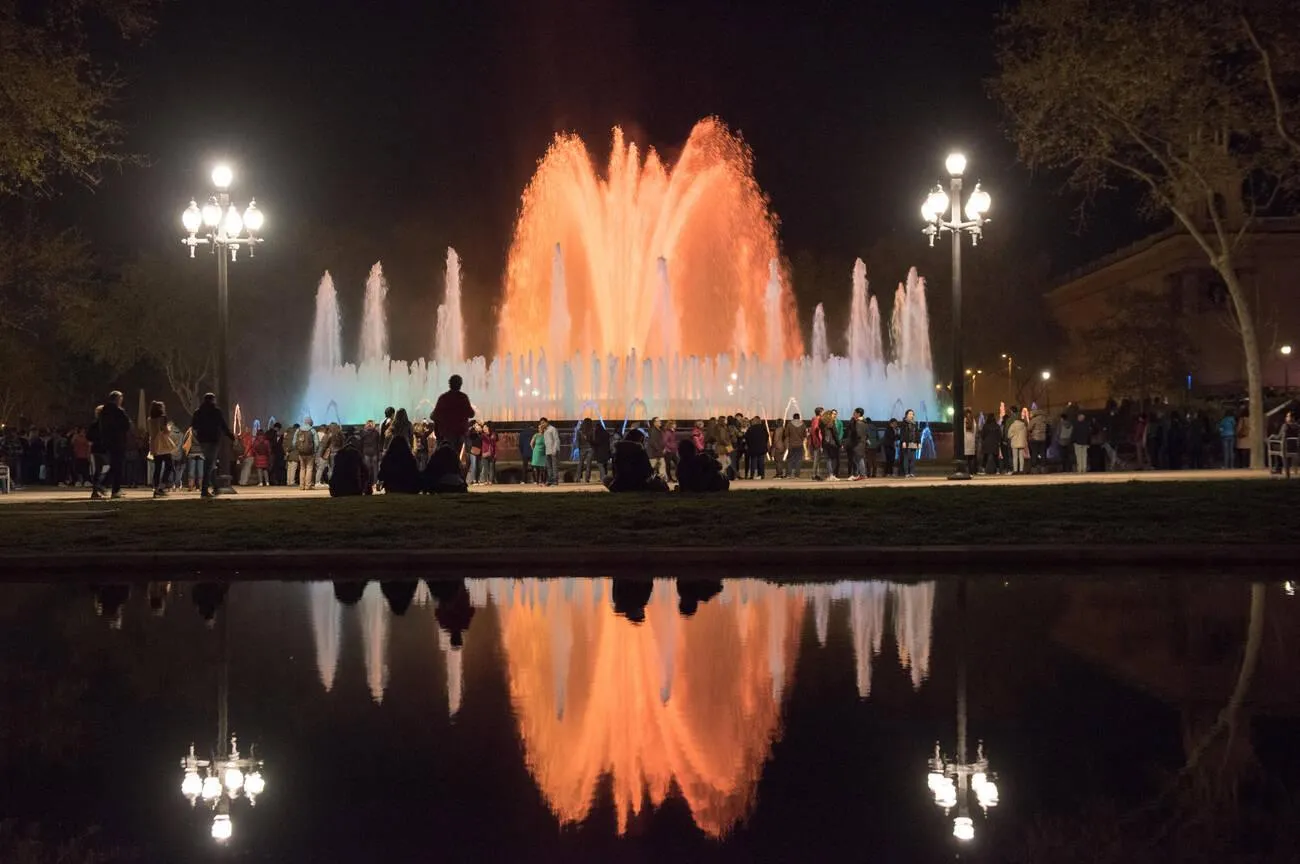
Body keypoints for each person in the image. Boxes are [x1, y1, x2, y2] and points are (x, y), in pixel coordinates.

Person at [190, 392, 236, 498]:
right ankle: (205, 490)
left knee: (210, 463)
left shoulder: (198, 412)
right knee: (209, 464)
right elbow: (223, 425)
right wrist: (231, 436)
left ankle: (215, 487)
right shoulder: (216, 411)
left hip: (203, 441)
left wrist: (198, 438)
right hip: (213, 440)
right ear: (213, 400)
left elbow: (194, 426)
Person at [91, 391, 131, 500]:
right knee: (117, 466)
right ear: (117, 399)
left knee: (114, 465)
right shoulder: (118, 411)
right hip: (118, 442)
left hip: (107, 442)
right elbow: (126, 425)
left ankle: (107, 486)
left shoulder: (104, 411)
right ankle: (111, 488)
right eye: (120, 398)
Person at [432, 375, 475, 475]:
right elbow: (471, 413)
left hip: (446, 433)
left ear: (449, 384)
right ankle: (455, 477)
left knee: (447, 456)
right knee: (456, 455)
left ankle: (447, 477)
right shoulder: (463, 397)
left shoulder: (443, 398)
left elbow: (435, 415)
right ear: (460, 385)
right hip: (459, 432)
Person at [147, 401, 177, 498]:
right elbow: (165, 431)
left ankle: (155, 488)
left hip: (154, 444)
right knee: (169, 466)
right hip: (163, 445)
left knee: (157, 467)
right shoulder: (163, 418)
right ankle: (162, 486)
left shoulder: (150, 419)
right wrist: (169, 428)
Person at [848, 408, 870, 480]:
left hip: (858, 443)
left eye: (854, 413)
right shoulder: (865, 422)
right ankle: (861, 474)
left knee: (859, 459)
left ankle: (862, 475)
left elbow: (858, 434)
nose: (853, 414)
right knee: (858, 459)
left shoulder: (858, 422)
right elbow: (866, 434)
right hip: (862, 443)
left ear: (858, 414)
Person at [294, 419, 317, 489]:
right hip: (310, 452)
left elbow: (294, 442)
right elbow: (317, 443)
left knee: (302, 468)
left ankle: (301, 485)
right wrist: (315, 450)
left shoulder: (298, 430)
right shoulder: (312, 430)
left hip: (301, 452)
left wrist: (298, 449)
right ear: (311, 423)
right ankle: (308, 485)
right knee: (309, 468)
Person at [782, 414, 807, 479]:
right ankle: (797, 475)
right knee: (798, 460)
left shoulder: (789, 424)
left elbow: (786, 434)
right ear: (799, 417)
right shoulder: (803, 424)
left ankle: (789, 474)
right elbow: (805, 435)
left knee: (790, 460)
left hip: (791, 444)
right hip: (799, 444)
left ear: (793, 418)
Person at [744, 415, 769, 480]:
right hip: (762, 448)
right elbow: (767, 437)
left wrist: (749, 445)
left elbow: (747, 438)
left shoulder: (751, 429)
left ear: (755, 421)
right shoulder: (763, 428)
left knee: (753, 462)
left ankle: (752, 475)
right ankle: (761, 475)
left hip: (753, 448)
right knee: (761, 462)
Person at [899, 409, 921, 478]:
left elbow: (917, 433)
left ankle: (912, 472)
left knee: (913, 458)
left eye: (912, 414)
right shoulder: (904, 423)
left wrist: (919, 442)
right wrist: (903, 442)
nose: (911, 415)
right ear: (906, 415)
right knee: (906, 458)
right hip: (907, 442)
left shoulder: (914, 423)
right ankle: (906, 473)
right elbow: (902, 433)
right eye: (910, 414)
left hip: (913, 443)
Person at [821, 409, 842, 480]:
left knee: (828, 459)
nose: (833, 415)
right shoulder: (831, 422)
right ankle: (832, 475)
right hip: (832, 444)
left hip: (825, 443)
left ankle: (830, 475)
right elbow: (835, 434)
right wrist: (839, 444)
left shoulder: (822, 422)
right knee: (834, 459)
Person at [360, 420, 381, 487]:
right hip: (374, 452)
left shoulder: (363, 433)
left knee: (367, 469)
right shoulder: (376, 433)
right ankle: (375, 482)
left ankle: (368, 482)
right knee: (375, 469)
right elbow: (378, 443)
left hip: (366, 452)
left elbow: (361, 443)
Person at [1028, 405, 1049, 473]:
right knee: (1043, 453)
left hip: (1035, 438)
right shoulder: (1044, 419)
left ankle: (1034, 468)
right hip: (1043, 438)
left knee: (1034, 453)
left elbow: (1029, 428)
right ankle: (1043, 468)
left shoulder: (1034, 420)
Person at [542, 416, 561, 486]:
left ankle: (555, 481)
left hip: (553, 451)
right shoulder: (544, 430)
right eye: (541, 423)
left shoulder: (553, 429)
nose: (542, 424)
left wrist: (555, 449)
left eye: (543, 423)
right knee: (549, 467)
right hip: (547, 451)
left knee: (554, 466)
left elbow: (556, 439)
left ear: (547, 422)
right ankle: (550, 480)